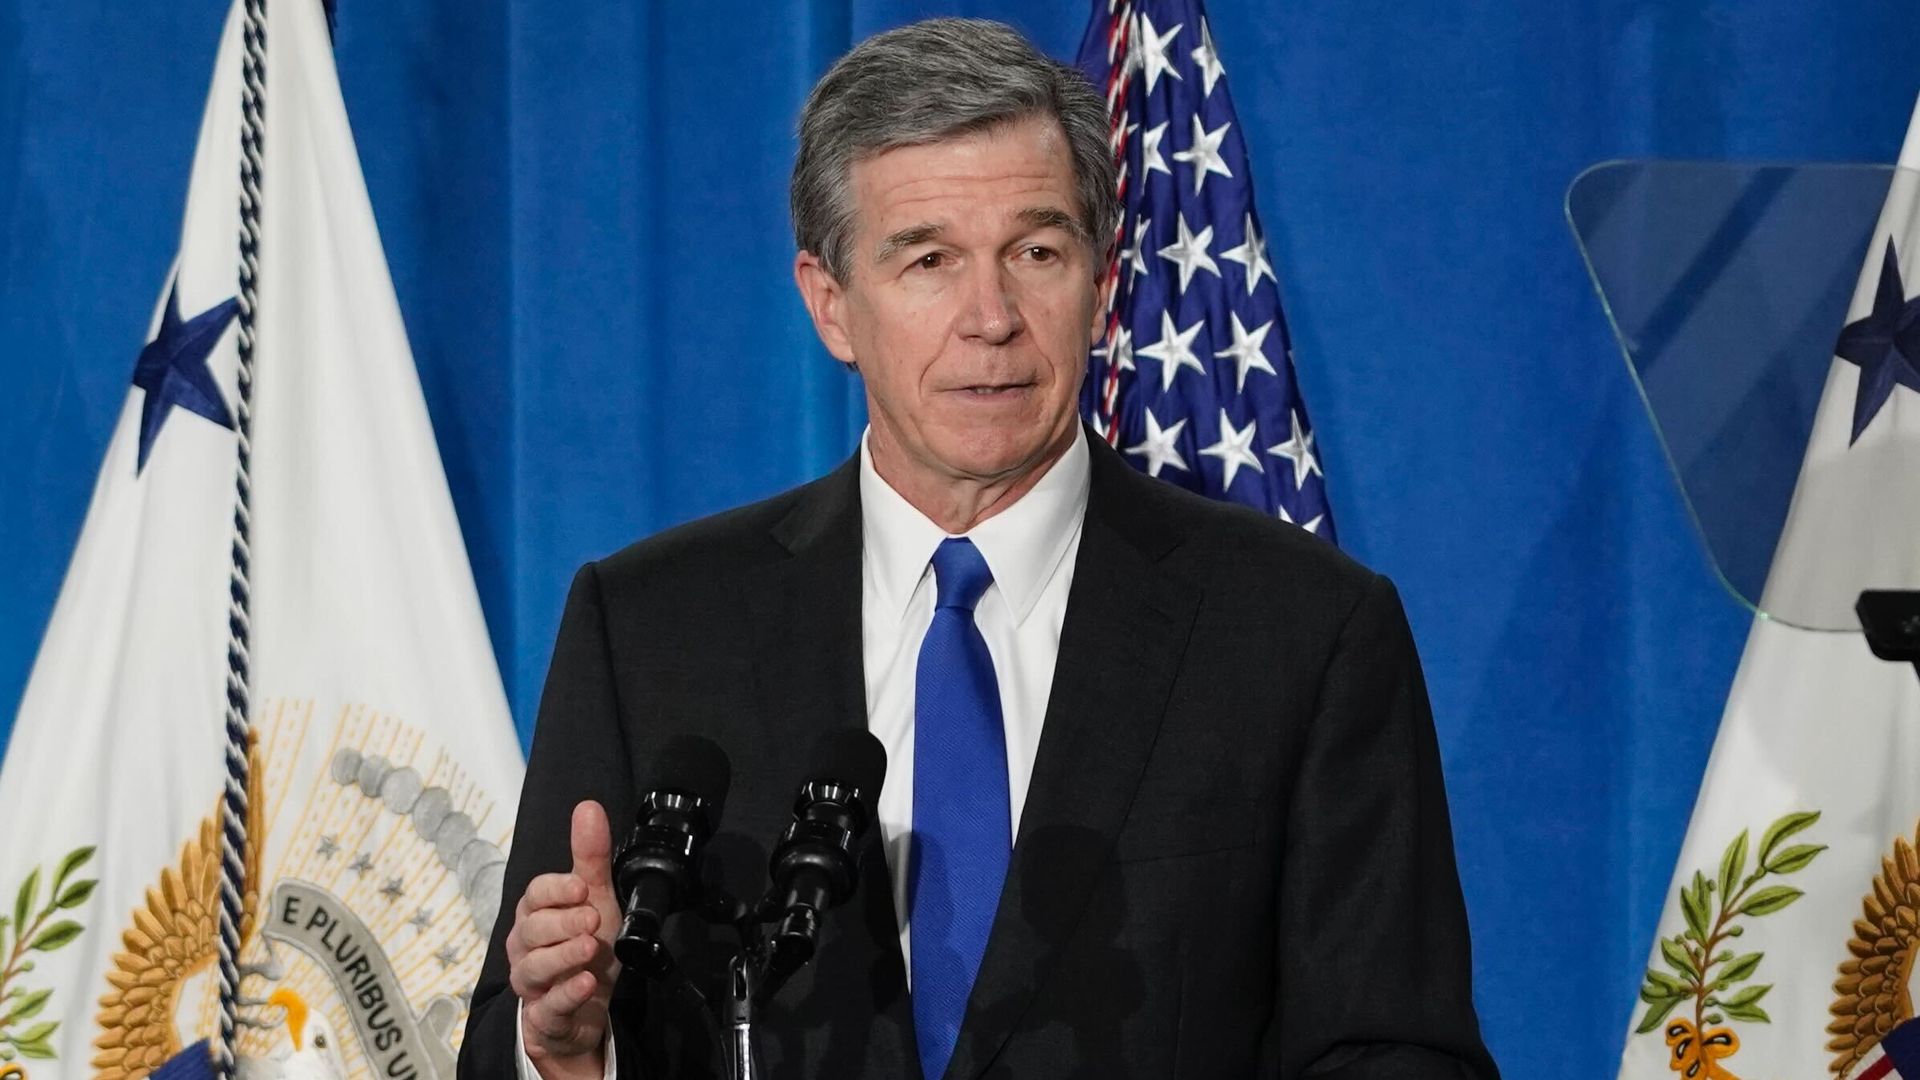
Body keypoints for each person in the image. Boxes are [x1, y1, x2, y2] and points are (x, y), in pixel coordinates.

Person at [460, 17, 1498, 1080]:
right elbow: (519, 1043)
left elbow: (1395, 1051)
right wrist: (561, 1051)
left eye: (1036, 252)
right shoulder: (651, 630)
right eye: (928, 261)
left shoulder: (1302, 633)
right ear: (831, 306)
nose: (991, 317)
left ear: (1100, 284)